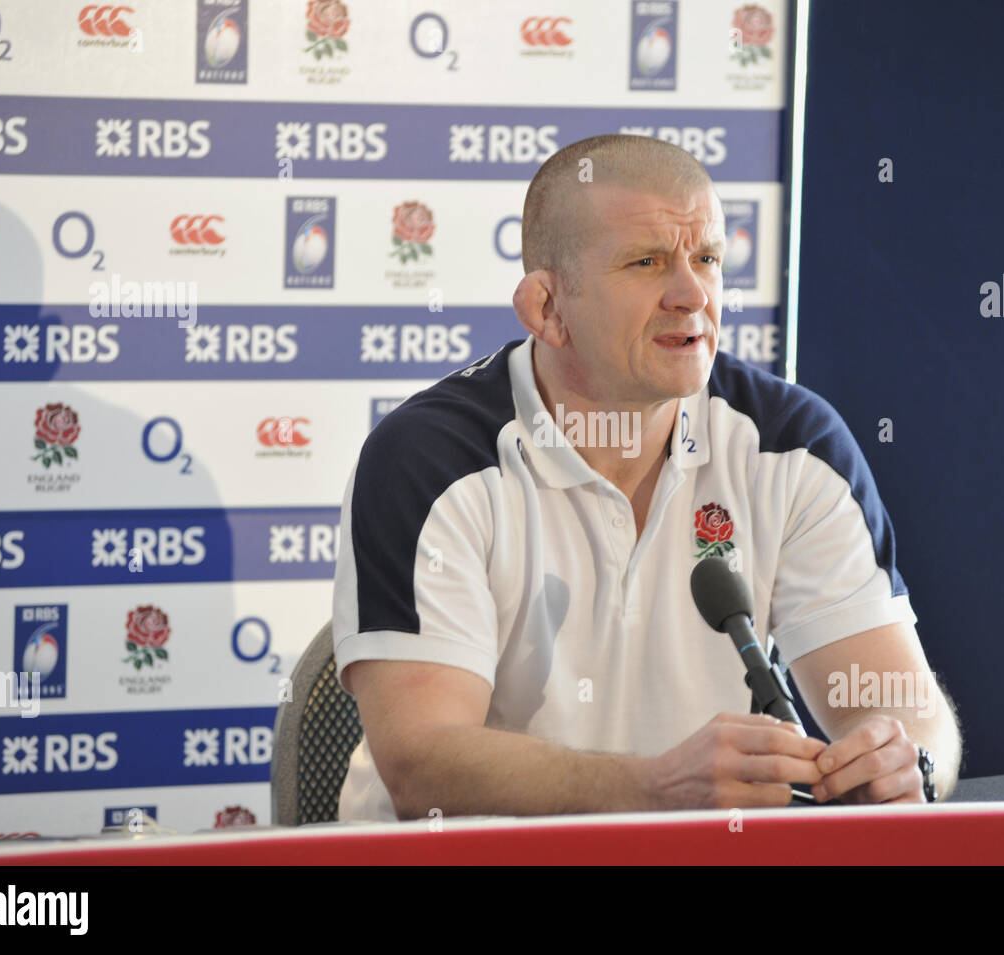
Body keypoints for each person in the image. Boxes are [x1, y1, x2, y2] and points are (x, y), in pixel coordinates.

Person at [331, 134, 961, 822]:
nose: (692, 294)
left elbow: (908, 709)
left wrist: (908, 765)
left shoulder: (791, 444)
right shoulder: (428, 458)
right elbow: (424, 765)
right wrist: (654, 790)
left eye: (709, 259)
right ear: (547, 309)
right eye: (647, 262)